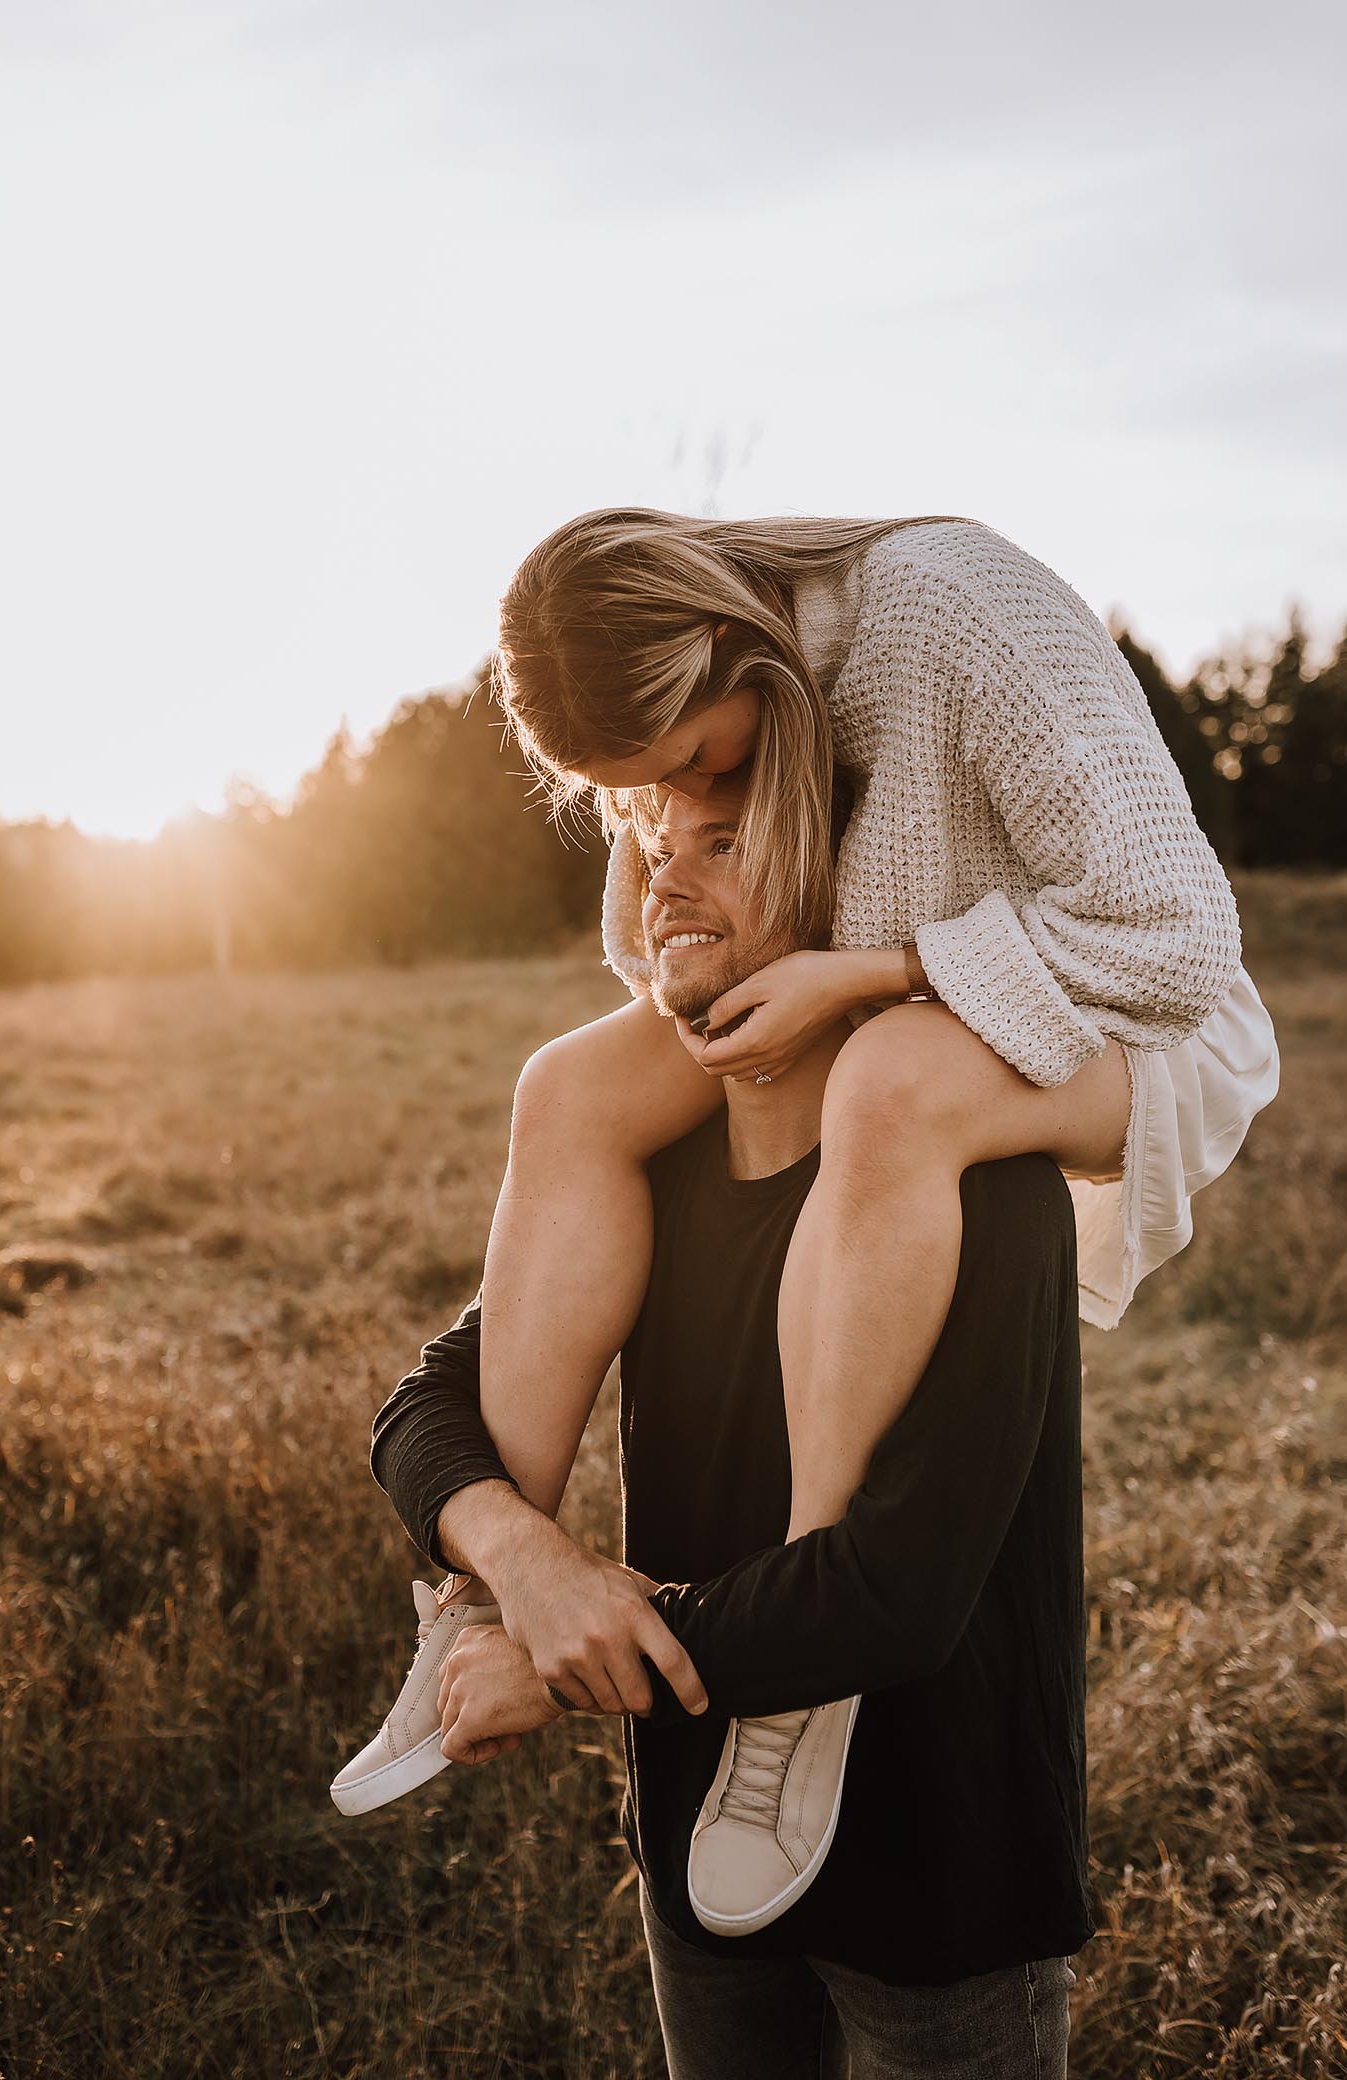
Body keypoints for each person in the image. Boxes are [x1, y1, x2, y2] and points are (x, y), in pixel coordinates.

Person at [334, 509, 1280, 1928]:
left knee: (899, 1077)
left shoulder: (956, 608)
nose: (680, 791)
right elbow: (644, 951)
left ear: (720, 634)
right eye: (641, 793)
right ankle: (483, 1600)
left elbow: (1172, 942)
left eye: (692, 757)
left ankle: (802, 1660)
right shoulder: (690, 700)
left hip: (1121, 1016)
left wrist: (865, 976)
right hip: (877, 998)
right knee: (572, 1084)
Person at [357, 781, 1093, 2078]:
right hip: (695, 1846)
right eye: (652, 849)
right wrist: (527, 1578)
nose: (665, 884)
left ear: (836, 888)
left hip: (941, 1878)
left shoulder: (989, 1194)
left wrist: (571, 1662)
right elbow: (430, 1410)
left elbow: (895, 1597)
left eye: (720, 846)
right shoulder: (639, 1172)